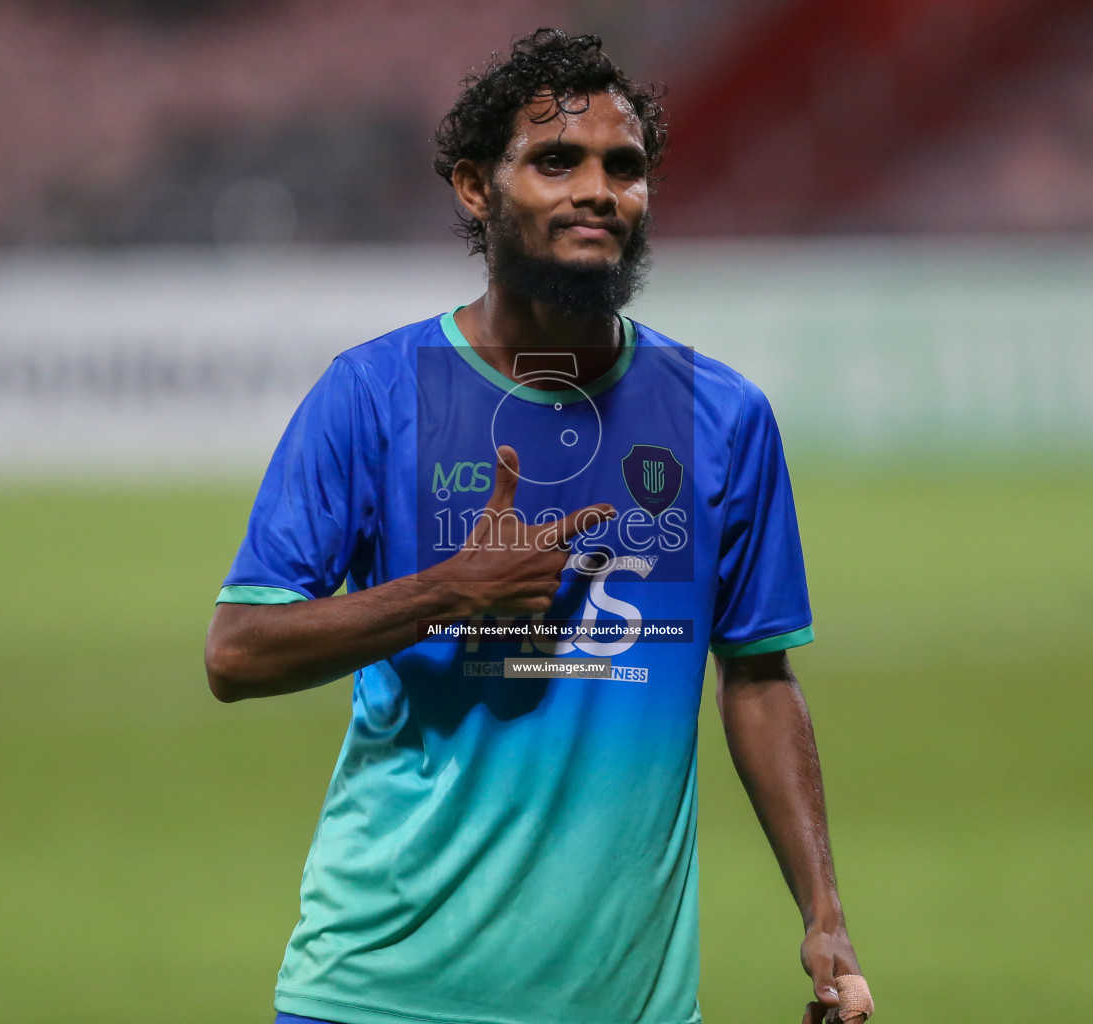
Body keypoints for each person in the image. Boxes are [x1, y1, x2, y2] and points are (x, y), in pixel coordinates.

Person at [204, 28, 870, 1024]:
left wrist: (824, 915)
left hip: (627, 1007)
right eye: (557, 161)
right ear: (476, 187)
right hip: (382, 994)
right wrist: (447, 592)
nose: (599, 189)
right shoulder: (374, 394)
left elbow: (761, 676)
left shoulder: (722, 416)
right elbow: (237, 651)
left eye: (625, 167)